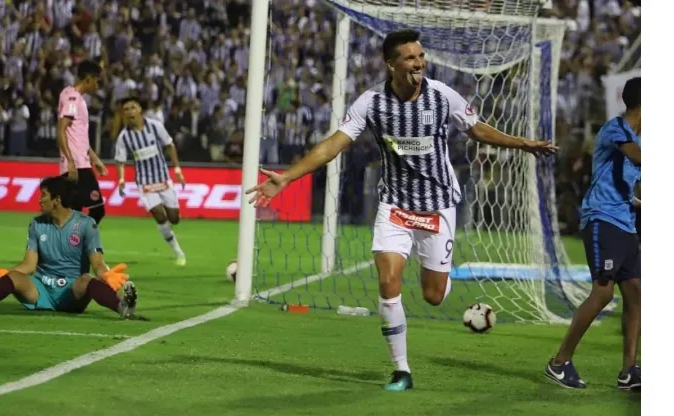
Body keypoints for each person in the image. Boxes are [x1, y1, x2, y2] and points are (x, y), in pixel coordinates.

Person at [246, 29, 557, 391]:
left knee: (433, 295)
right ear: (391, 64)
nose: (419, 63)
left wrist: (523, 144)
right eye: (410, 58)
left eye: (420, 56)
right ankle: (402, 370)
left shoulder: (443, 96)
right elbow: (333, 145)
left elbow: (477, 130)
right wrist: (287, 178)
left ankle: (443, 274)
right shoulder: (371, 102)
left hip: (438, 205)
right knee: (388, 281)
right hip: (394, 204)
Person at [545, 77, 641, 391]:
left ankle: (629, 370)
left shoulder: (639, 136)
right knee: (602, 293)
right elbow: (638, 158)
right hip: (603, 219)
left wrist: (639, 203)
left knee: (637, 293)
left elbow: (623, 181)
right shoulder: (616, 130)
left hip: (625, 221)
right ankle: (559, 362)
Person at [0, 176, 138, 319]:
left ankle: (122, 307)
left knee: (86, 279)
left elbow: (97, 264)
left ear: (56, 200)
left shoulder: (86, 224)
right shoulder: (37, 224)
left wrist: (106, 274)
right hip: (41, 289)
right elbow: (28, 265)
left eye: (43, 195)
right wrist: (1, 275)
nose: (39, 200)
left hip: (71, 291)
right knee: (14, 277)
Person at [115, 97, 188, 266]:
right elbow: (120, 160)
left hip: (163, 178)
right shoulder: (124, 137)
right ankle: (178, 251)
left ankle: (164, 228)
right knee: (159, 214)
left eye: (132, 107)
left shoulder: (155, 126)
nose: (129, 112)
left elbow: (170, 145)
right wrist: (121, 179)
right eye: (126, 109)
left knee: (174, 218)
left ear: (140, 109)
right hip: (145, 182)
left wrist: (177, 169)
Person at [57, 59, 108, 225]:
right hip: (78, 166)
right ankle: (78, 243)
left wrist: (95, 159)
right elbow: (61, 130)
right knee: (98, 209)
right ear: (88, 79)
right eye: (97, 81)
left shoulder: (68, 94)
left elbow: (78, 136)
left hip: (79, 162)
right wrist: (71, 161)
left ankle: (69, 246)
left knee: (75, 213)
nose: (97, 86)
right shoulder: (73, 99)